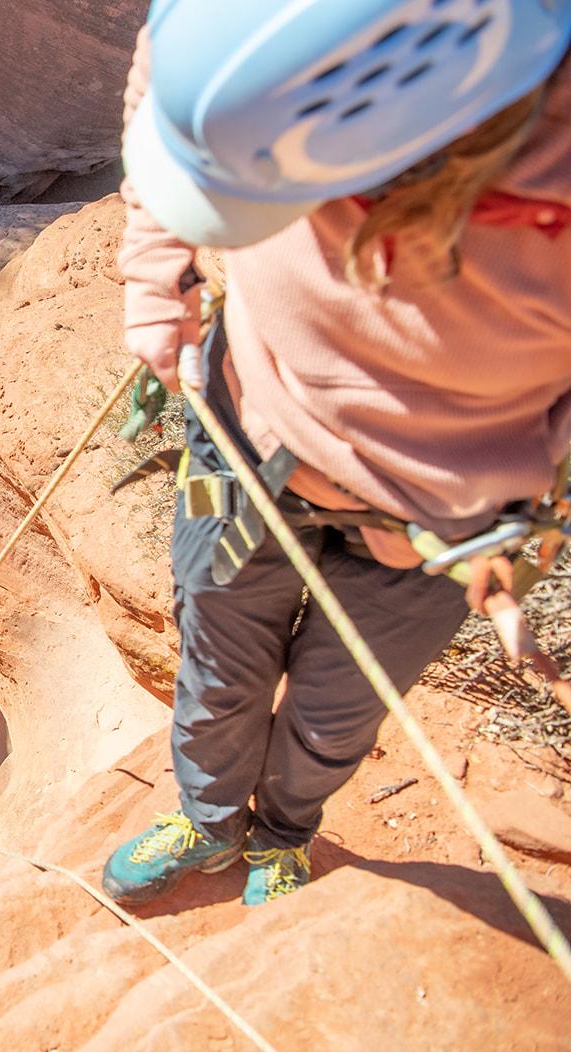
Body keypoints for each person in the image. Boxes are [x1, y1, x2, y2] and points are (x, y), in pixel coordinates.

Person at [103, 1, 571, 909]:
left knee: (335, 714)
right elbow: (179, 87)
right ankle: (209, 820)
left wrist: (510, 527)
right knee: (214, 662)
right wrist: (155, 280)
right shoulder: (252, 32)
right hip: (240, 445)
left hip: (436, 532)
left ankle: (282, 833)